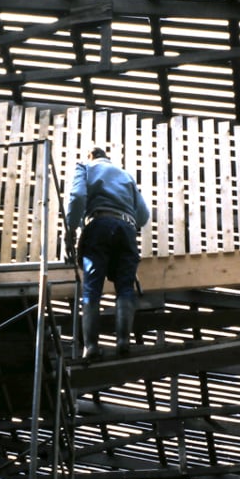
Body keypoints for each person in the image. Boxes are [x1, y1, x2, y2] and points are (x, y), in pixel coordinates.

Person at [65, 147, 150, 358]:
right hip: (126, 229)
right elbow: (143, 215)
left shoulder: (85, 167)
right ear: (107, 158)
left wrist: (71, 229)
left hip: (99, 225)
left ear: (91, 155)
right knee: (125, 287)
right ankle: (123, 342)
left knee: (92, 288)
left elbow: (76, 197)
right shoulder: (125, 175)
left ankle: (91, 346)